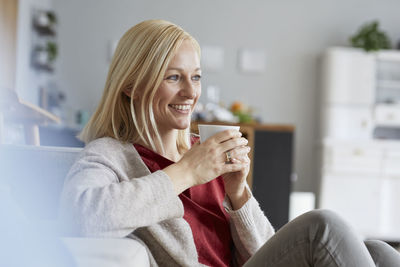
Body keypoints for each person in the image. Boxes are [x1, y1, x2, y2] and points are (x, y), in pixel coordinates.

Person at [59, 19, 400, 267]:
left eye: (196, 77)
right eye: (173, 77)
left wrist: (238, 194)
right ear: (131, 86)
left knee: (380, 252)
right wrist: (186, 173)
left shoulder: (202, 149)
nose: (191, 93)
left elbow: (265, 251)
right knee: (322, 228)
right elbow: (82, 216)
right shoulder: (111, 154)